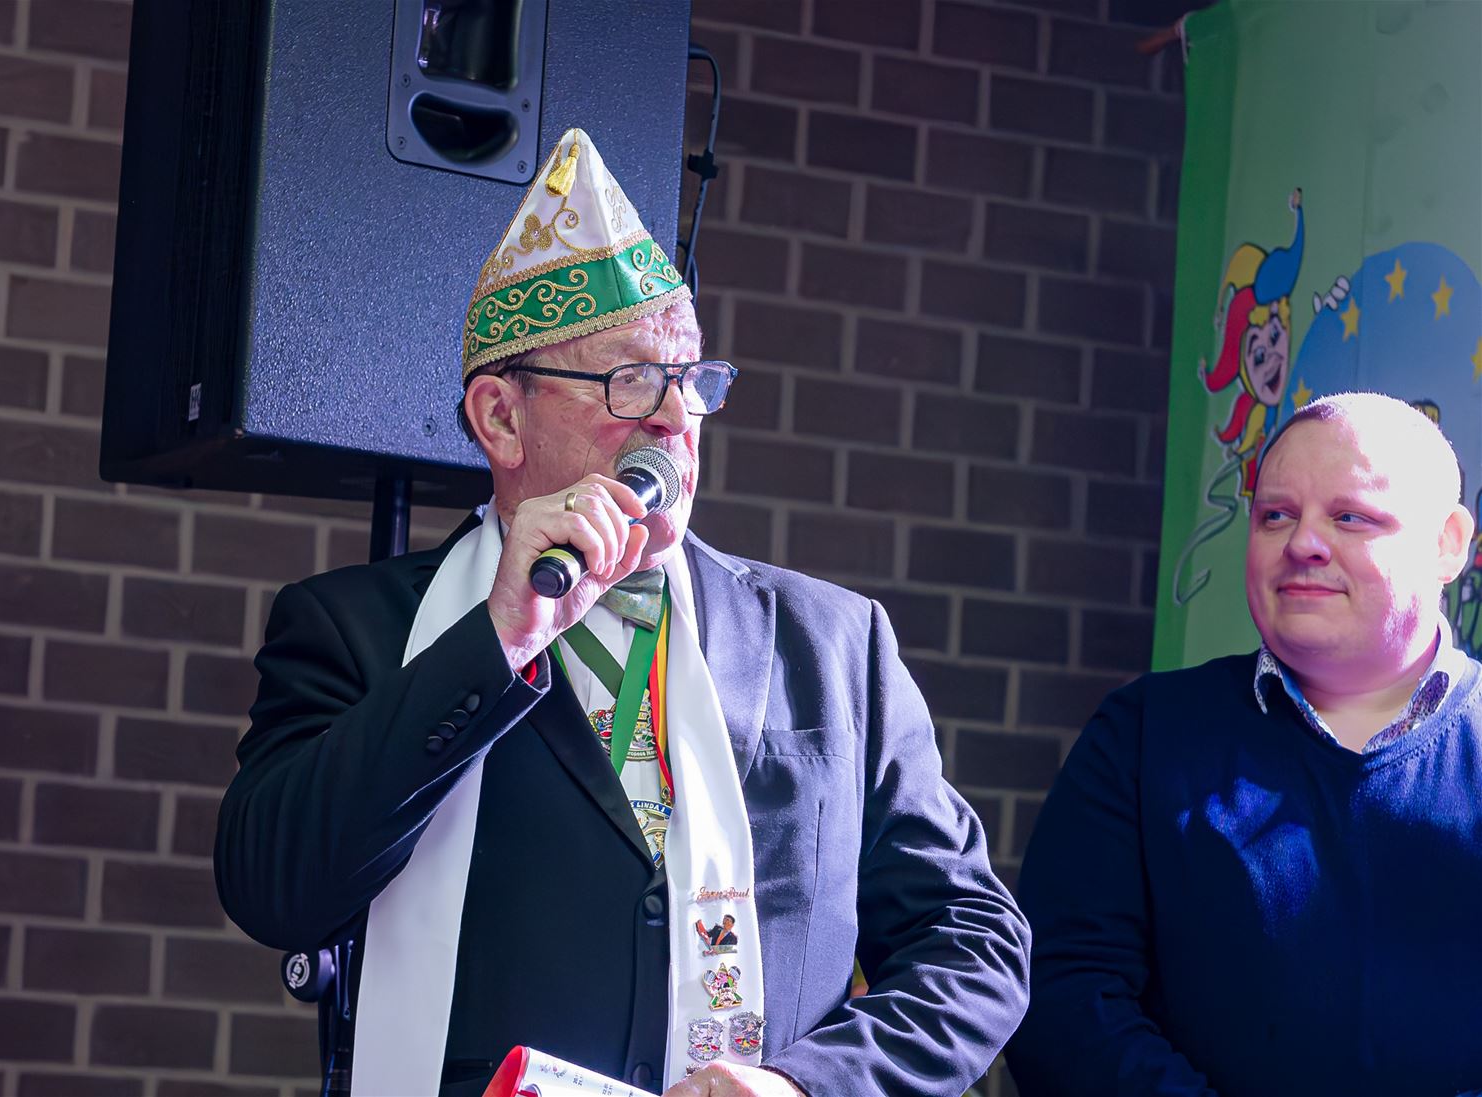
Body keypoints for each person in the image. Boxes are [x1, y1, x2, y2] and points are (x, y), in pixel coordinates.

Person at [215, 128, 1028, 1097]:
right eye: (631, 380)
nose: (677, 419)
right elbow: (275, 888)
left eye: (691, 380)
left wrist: (809, 1084)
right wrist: (495, 639)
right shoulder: (357, 629)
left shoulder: (830, 643)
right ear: (501, 417)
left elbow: (975, 945)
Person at [1006, 391, 1482, 1096]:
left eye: (1350, 516)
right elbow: (1062, 993)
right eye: (1275, 515)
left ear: (1447, 543)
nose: (1302, 543)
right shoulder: (1145, 735)